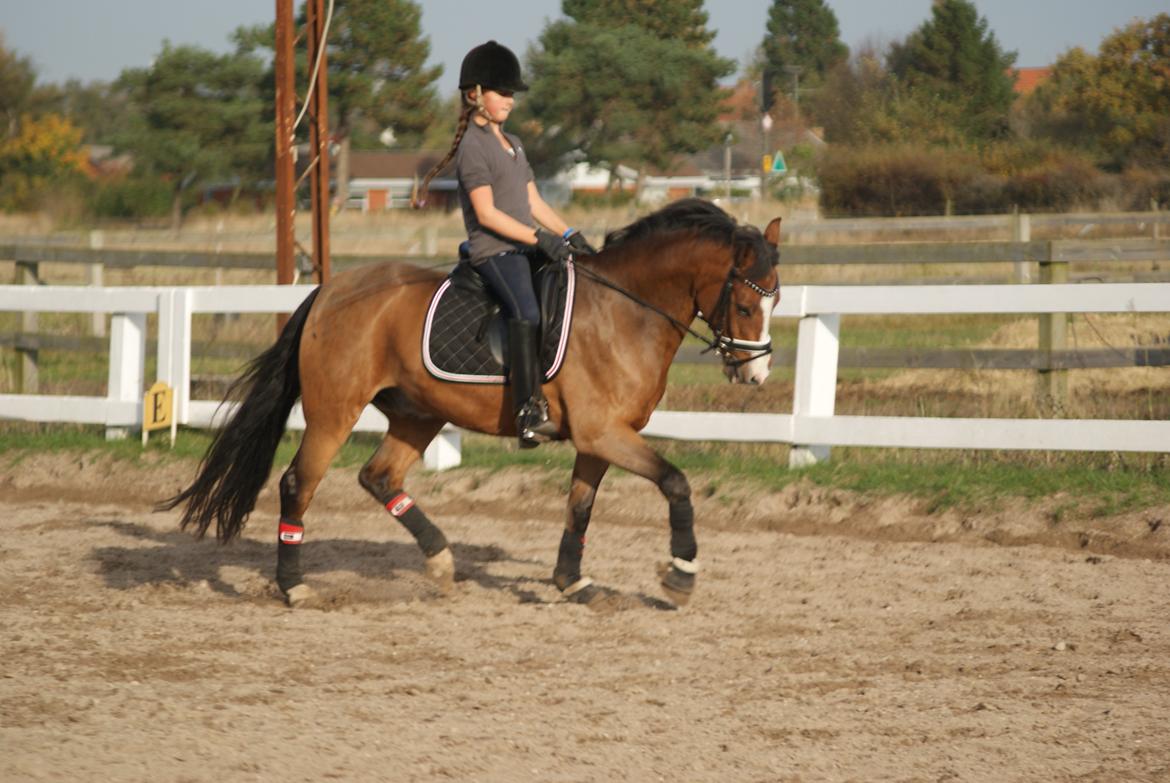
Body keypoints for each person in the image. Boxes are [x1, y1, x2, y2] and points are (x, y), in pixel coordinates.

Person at [414, 40, 595, 448]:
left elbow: (532, 201)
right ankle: (528, 410)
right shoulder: (473, 148)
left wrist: (568, 234)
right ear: (475, 94)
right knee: (527, 312)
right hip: (493, 252)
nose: (510, 101)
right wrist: (540, 239)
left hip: (525, 246)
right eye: (503, 92)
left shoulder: (513, 144)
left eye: (512, 94)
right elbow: (488, 214)